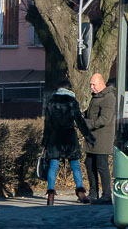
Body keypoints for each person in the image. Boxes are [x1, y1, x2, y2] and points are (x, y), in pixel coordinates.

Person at [42, 81, 96, 206]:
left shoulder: (51, 102)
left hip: (55, 138)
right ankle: (81, 192)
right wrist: (89, 137)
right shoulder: (72, 102)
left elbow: (47, 125)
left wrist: (45, 141)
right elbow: (80, 122)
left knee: (53, 166)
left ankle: (50, 195)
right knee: (75, 166)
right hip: (69, 137)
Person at [84, 73, 116, 205]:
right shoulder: (96, 96)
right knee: (89, 163)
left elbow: (105, 119)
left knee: (102, 166)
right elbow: (92, 113)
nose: (91, 87)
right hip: (93, 137)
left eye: (93, 84)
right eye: (90, 84)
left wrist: (88, 124)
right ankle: (93, 193)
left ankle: (107, 195)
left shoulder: (109, 97)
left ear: (102, 84)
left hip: (102, 137)